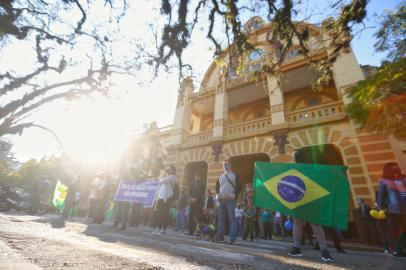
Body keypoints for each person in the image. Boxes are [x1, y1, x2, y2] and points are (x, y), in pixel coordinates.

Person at [377, 162, 406, 257]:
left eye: (397, 165)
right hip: (392, 210)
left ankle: (400, 248)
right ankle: (396, 250)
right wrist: (381, 208)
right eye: (394, 166)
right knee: (395, 231)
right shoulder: (384, 181)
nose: (397, 167)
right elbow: (380, 196)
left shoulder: (404, 179)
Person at [215, 160, 242, 244]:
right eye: (224, 164)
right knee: (221, 219)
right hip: (221, 200)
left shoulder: (235, 175)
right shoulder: (220, 176)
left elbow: (240, 186)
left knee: (232, 219)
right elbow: (217, 187)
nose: (225, 166)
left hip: (231, 200)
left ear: (230, 165)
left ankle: (232, 238)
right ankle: (220, 237)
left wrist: (234, 194)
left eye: (226, 164)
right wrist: (217, 195)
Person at [152, 165, 177, 235]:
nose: (168, 170)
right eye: (168, 169)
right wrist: (158, 197)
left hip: (167, 198)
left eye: (170, 169)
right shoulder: (165, 176)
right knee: (159, 213)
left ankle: (163, 229)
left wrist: (161, 178)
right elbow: (160, 185)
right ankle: (158, 228)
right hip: (161, 197)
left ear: (173, 170)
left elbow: (162, 181)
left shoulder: (173, 177)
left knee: (164, 214)